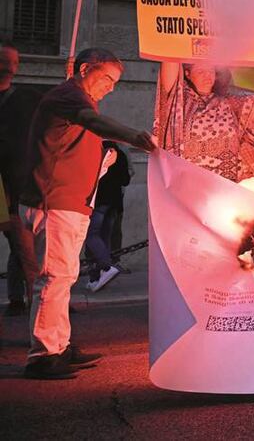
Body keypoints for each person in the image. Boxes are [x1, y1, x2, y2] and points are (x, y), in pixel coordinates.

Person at [20, 48, 155, 379]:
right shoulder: (69, 95)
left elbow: (88, 131)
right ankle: (42, 356)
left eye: (115, 82)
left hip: (71, 205)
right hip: (55, 203)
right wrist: (134, 136)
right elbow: (94, 123)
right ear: (84, 69)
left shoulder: (77, 101)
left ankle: (59, 346)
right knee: (54, 279)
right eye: (107, 78)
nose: (111, 87)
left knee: (63, 278)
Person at [154, 61, 254, 182]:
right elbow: (170, 56)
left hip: (225, 192)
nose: (207, 75)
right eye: (200, 71)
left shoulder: (229, 104)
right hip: (189, 188)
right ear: (188, 74)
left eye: (211, 71)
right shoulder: (178, 103)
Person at [0, 42, 40, 317]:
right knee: (29, 257)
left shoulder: (23, 99)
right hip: (6, 192)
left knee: (21, 248)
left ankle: (19, 299)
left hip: (15, 192)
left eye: (12, 59)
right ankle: (43, 306)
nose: (9, 64)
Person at [84, 141, 131, 293]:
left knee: (91, 236)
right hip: (114, 203)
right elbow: (126, 180)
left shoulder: (96, 153)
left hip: (98, 202)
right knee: (105, 238)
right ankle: (100, 278)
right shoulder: (121, 154)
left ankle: (104, 269)